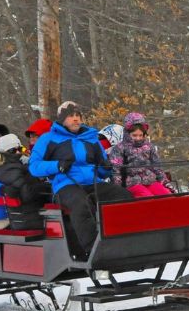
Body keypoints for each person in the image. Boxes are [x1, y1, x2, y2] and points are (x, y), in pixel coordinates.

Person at [29, 101, 133, 256]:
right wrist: (57, 165)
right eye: (71, 116)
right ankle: (94, 250)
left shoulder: (91, 138)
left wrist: (106, 167)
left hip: (93, 182)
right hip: (65, 184)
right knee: (80, 203)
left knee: (123, 195)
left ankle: (126, 240)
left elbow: (102, 169)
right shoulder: (48, 138)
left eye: (78, 115)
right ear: (62, 119)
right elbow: (34, 166)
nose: (76, 119)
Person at [0, 133, 51, 230]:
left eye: (20, 149)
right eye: (13, 150)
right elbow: (26, 193)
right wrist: (46, 187)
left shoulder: (18, 163)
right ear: (5, 152)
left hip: (32, 214)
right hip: (27, 219)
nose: (18, 152)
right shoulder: (7, 169)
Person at [109, 112, 173, 198]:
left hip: (150, 180)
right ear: (127, 133)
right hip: (131, 183)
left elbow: (157, 167)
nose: (138, 138)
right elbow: (116, 170)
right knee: (148, 197)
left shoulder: (149, 147)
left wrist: (165, 183)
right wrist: (119, 189)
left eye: (140, 135)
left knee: (166, 195)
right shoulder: (120, 148)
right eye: (134, 135)